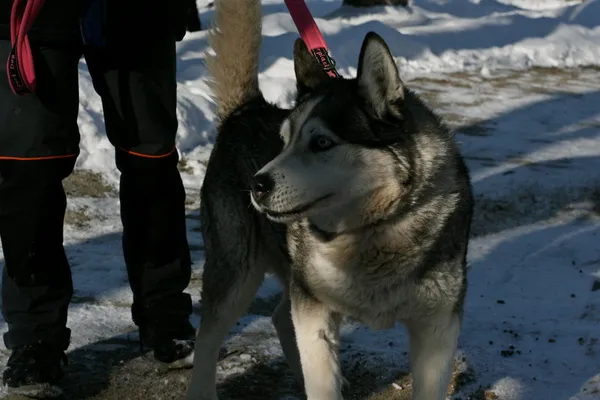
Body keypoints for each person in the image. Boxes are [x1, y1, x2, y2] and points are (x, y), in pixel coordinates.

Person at [0, 0, 197, 395]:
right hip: (29, 13)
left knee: (151, 159)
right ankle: (35, 337)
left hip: (137, 11)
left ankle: (164, 312)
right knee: (29, 170)